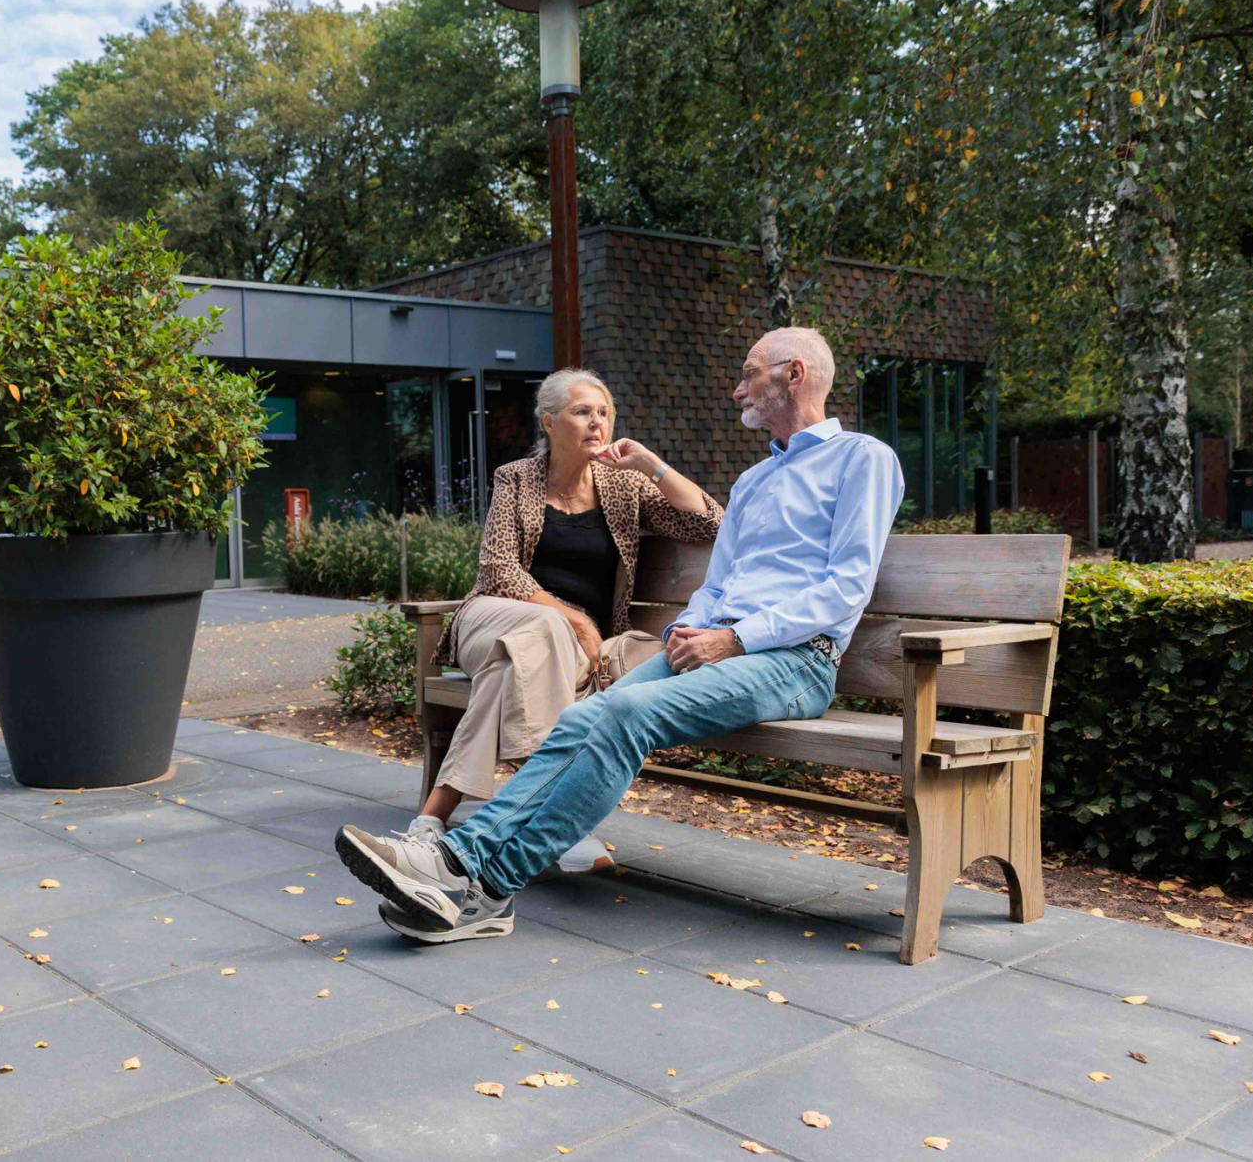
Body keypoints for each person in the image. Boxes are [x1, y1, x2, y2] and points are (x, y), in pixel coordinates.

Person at [337, 327, 905, 941]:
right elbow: (720, 581)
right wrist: (698, 626)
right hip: (715, 646)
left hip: (794, 660)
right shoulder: (754, 481)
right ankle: (464, 876)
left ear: (792, 374)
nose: (738, 387)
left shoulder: (862, 459)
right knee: (589, 716)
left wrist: (736, 640)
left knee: (627, 709)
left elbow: (846, 588)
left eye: (749, 373)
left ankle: (472, 874)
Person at [405, 369, 723, 874]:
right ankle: (561, 818)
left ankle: (430, 821)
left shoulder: (625, 485)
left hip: (560, 653)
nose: (596, 423)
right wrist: (573, 619)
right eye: (582, 412)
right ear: (549, 422)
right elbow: (498, 569)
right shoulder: (516, 478)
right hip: (494, 618)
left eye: (604, 412)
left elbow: (711, 521)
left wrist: (652, 465)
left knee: (510, 670)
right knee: (541, 631)